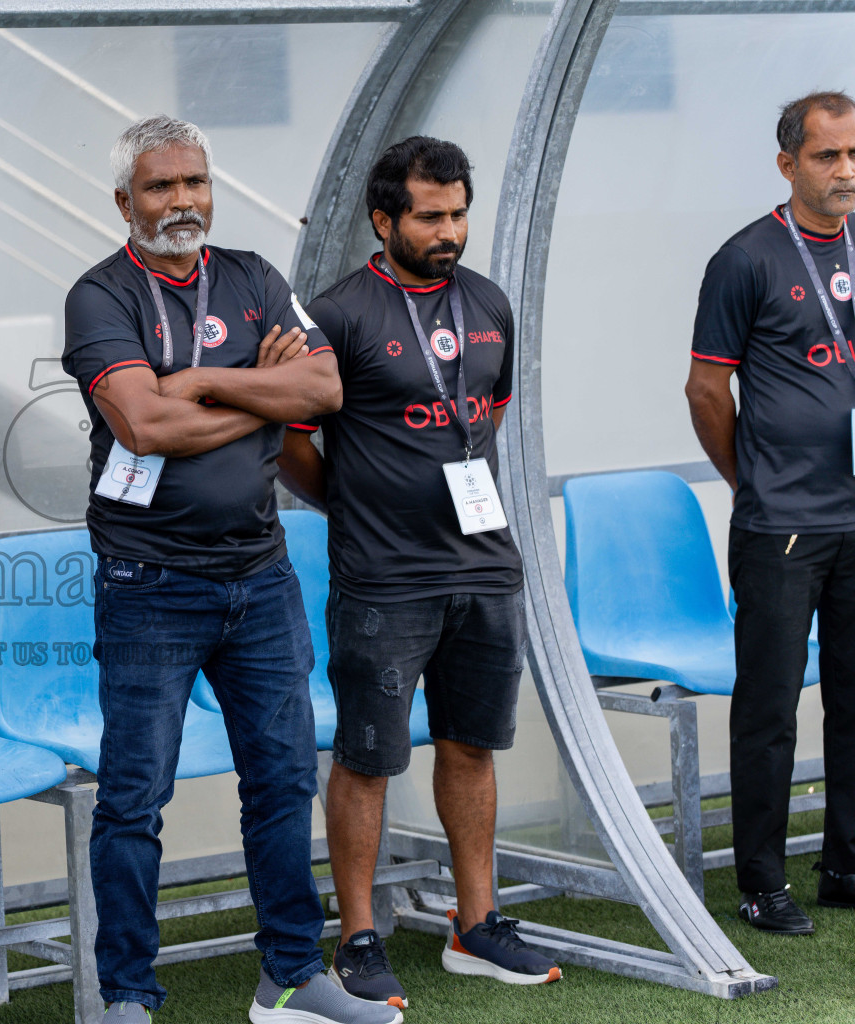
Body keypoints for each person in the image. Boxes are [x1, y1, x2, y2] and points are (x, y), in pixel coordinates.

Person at [62, 115, 398, 1024]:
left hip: (259, 577)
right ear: (124, 201)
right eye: (162, 187)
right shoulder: (99, 297)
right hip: (148, 585)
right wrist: (256, 383)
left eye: (195, 183)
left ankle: (290, 975)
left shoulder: (253, 276)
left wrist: (203, 381)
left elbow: (324, 391)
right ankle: (126, 994)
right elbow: (145, 427)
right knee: (135, 796)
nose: (183, 203)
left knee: (284, 778)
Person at [278, 137, 561, 1009]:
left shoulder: (489, 303)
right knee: (368, 760)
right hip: (384, 581)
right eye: (431, 216)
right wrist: (359, 508)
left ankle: (475, 925)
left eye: (458, 214)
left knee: (472, 747)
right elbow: (292, 444)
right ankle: (359, 936)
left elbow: (488, 415)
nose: (450, 231)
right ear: (384, 218)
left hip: (484, 570)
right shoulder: (337, 314)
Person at [686, 91, 855, 936]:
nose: (846, 171)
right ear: (788, 164)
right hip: (782, 524)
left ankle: (846, 864)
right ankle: (761, 881)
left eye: (854, 154)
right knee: (769, 710)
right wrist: (750, 476)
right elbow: (707, 389)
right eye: (828, 156)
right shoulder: (746, 259)